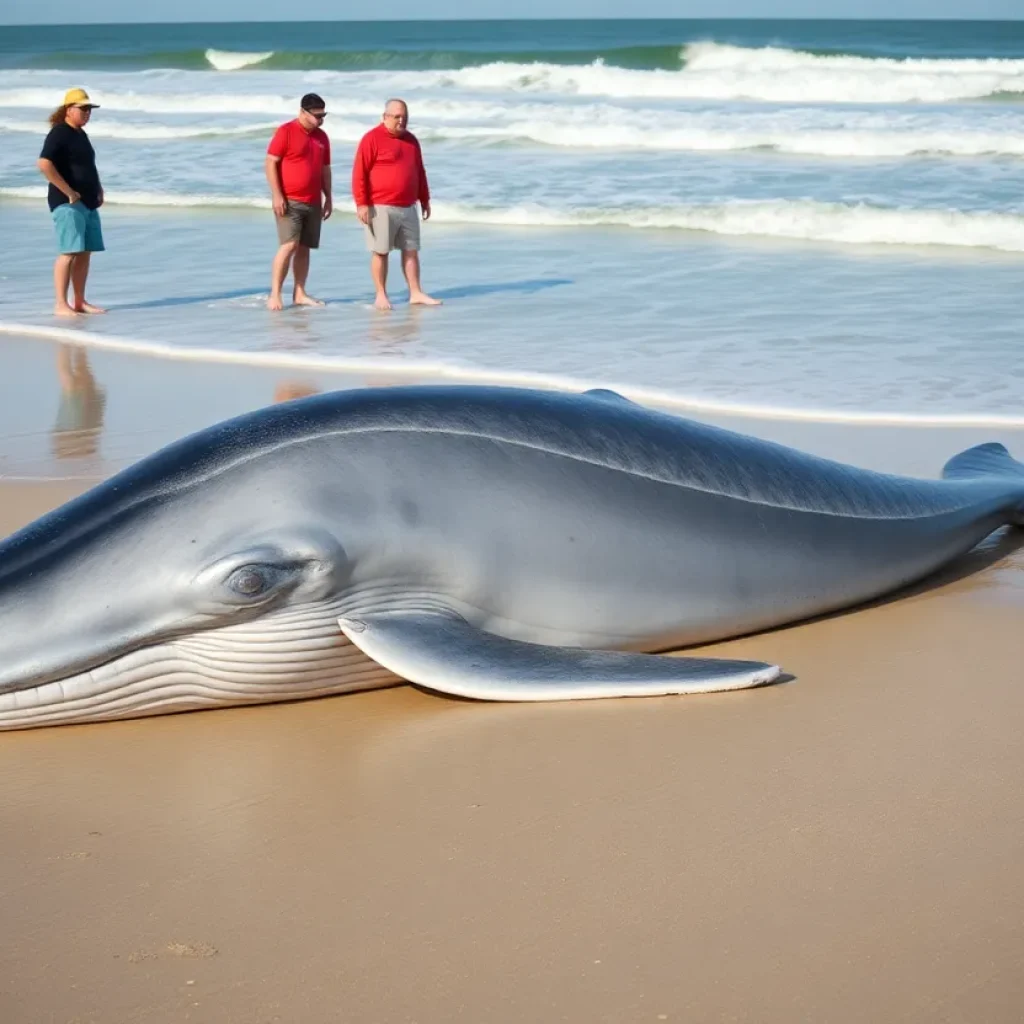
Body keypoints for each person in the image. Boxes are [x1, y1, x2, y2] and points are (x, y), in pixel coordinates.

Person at [351, 98, 441, 311]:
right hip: (380, 206)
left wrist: (425, 199)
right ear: (385, 117)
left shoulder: (411, 140)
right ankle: (381, 294)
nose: (401, 121)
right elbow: (359, 173)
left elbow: (419, 171)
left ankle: (415, 292)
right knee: (380, 251)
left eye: (405, 117)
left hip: (408, 206)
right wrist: (362, 204)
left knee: (411, 250)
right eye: (397, 117)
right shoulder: (371, 139)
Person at [37, 88, 106, 318]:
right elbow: (44, 164)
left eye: (89, 109)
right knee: (69, 252)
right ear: (69, 109)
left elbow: (86, 166)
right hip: (67, 203)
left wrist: (98, 188)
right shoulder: (60, 133)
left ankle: (79, 301)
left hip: (87, 202)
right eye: (83, 109)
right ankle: (60, 304)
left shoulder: (80, 134)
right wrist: (68, 192)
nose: (87, 113)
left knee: (85, 252)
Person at [265, 93, 333, 311]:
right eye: (317, 115)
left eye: (323, 115)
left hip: (313, 200)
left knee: (305, 248)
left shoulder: (322, 137)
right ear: (303, 112)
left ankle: (300, 293)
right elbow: (270, 163)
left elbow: (325, 169)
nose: (320, 120)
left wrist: (329, 197)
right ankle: (275, 294)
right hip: (289, 200)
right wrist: (277, 195)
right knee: (289, 245)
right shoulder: (286, 131)